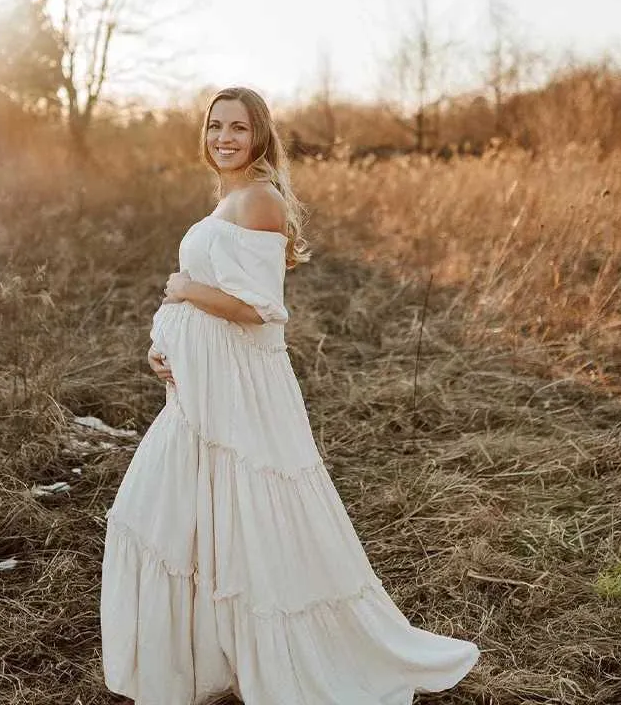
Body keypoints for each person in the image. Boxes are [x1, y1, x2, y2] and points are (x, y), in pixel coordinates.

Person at [100, 86, 480, 704]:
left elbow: (260, 309)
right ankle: (212, 656)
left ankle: (289, 657)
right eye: (216, 126)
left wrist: (183, 292)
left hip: (239, 395)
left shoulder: (260, 200)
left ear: (260, 137)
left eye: (238, 129)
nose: (224, 137)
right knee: (180, 516)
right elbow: (215, 291)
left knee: (247, 518)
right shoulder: (231, 197)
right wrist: (164, 345)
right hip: (202, 392)